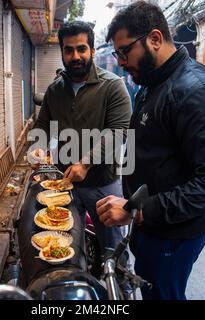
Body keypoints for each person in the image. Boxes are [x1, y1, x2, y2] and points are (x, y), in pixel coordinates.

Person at [96, 1, 205, 300]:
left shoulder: (198, 92)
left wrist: (137, 211)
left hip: (173, 235)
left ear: (155, 39)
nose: (121, 62)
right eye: (117, 54)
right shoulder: (152, 82)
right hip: (150, 225)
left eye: (125, 52)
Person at [30, 21, 132, 254]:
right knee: (64, 242)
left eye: (81, 49)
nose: (75, 56)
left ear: (92, 51)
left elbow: (118, 131)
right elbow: (43, 125)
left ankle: (120, 287)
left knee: (113, 248)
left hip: (102, 185)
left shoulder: (113, 86)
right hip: (63, 184)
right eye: (69, 50)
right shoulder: (55, 90)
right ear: (62, 53)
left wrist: (85, 162)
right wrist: (38, 147)